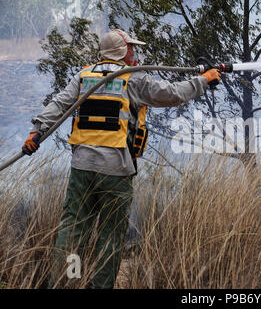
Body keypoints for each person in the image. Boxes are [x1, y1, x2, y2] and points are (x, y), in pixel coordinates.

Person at [22, 29, 221, 288]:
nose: (135, 53)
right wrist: (203, 80)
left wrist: (36, 132)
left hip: (82, 168)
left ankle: (66, 282)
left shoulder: (84, 76)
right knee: (110, 236)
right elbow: (171, 94)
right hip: (116, 171)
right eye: (132, 48)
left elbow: (59, 105)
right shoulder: (132, 79)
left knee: (73, 231)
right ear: (123, 51)